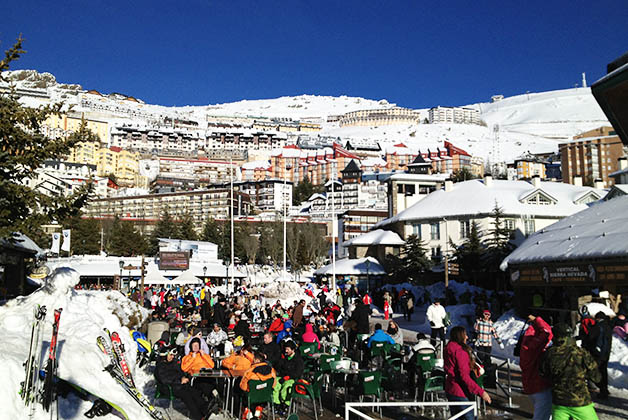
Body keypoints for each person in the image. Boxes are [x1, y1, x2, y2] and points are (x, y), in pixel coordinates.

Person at [540, 323, 601, 420]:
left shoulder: (549, 354)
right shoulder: (581, 353)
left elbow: (543, 373)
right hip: (580, 402)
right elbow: (596, 377)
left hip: (559, 402)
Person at [444, 326, 491, 420]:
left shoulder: (448, 348)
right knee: (470, 417)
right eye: (465, 335)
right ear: (460, 336)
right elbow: (464, 376)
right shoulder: (460, 351)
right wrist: (481, 392)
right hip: (460, 390)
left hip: (450, 387)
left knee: (456, 416)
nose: (467, 337)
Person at [155, 348, 210, 420]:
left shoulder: (173, 363)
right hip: (169, 388)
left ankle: (205, 409)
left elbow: (180, 372)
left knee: (194, 391)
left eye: (173, 355)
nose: (172, 357)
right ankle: (199, 417)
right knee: (187, 395)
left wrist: (186, 376)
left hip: (179, 385)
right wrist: (180, 381)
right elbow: (165, 380)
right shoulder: (160, 367)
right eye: (170, 355)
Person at [520, 315, 553, 420]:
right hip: (540, 387)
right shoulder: (534, 347)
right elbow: (547, 333)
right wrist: (537, 320)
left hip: (531, 387)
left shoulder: (526, 347)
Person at [273, 341, 304, 413]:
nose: (286, 351)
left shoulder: (298, 360)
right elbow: (279, 368)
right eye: (285, 349)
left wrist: (288, 377)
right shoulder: (285, 358)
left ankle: (286, 404)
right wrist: (280, 360)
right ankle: (276, 403)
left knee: (286, 387)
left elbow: (298, 372)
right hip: (282, 376)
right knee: (275, 384)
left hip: (292, 378)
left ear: (293, 350)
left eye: (288, 349)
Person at [587, 312, 613, 399]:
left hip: (598, 354)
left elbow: (591, 338)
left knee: (596, 371)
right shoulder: (608, 326)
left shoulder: (598, 327)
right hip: (606, 354)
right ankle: (604, 389)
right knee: (603, 371)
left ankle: (600, 389)